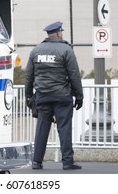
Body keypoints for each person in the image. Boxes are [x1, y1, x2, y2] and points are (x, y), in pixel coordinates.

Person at [25, 21, 84, 170]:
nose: (62, 33)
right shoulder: (66, 50)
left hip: (42, 96)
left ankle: (36, 161)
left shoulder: (36, 51)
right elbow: (74, 75)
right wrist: (79, 96)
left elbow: (29, 76)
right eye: (61, 32)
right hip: (62, 96)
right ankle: (68, 162)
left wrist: (28, 96)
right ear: (58, 33)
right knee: (64, 128)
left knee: (42, 128)